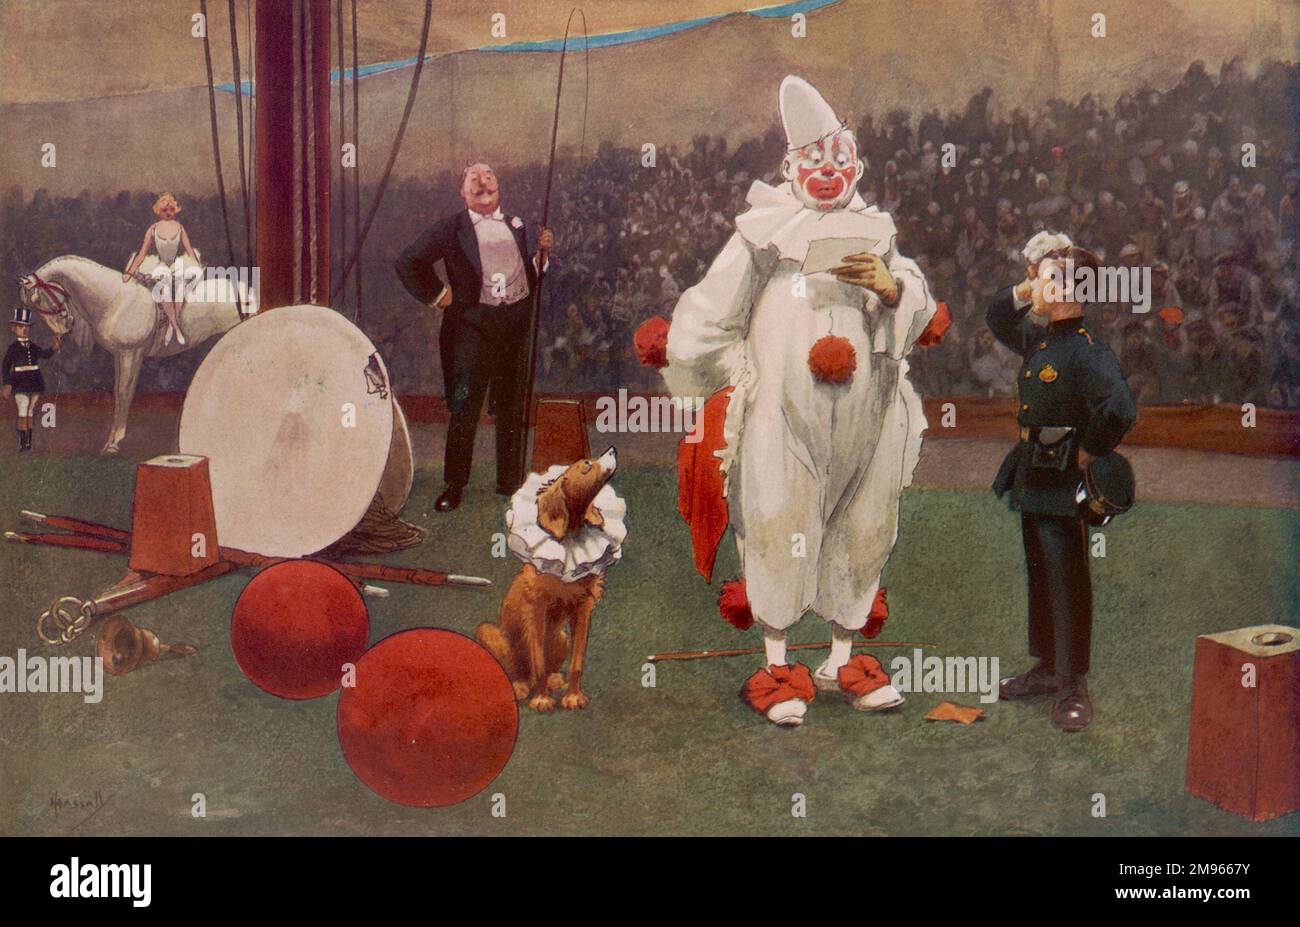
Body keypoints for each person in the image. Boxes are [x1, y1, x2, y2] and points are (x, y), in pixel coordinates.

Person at [661, 76, 941, 727]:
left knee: (865, 526)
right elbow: (711, 306)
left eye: (838, 160)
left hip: (865, 421)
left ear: (855, 162)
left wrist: (893, 286)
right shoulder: (763, 232)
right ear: (792, 168)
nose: (828, 172)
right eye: (813, 162)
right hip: (785, 417)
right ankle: (778, 663)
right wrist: (717, 370)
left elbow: (916, 294)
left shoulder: (875, 228)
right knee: (779, 518)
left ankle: (843, 656)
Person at [986, 242, 1137, 732]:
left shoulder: (1087, 351)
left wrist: (1090, 449)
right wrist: (1028, 285)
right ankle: (1048, 668)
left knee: (1067, 579)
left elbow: (1120, 408)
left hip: (1064, 478)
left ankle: (1073, 683)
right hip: (1034, 472)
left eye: (1048, 279)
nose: (1037, 288)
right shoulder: (1042, 340)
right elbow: (998, 317)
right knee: (1041, 575)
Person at [395, 162, 554, 512]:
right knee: (465, 408)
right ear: (462, 192)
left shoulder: (518, 224)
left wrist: (541, 256)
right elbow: (408, 262)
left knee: (512, 408)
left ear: (499, 185)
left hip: (513, 328)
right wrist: (439, 296)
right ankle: (454, 485)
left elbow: (524, 276)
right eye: (474, 178)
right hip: (471, 329)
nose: (483, 182)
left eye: (489, 176)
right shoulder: (452, 228)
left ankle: (510, 484)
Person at [122, 192, 203, 346]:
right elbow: (141, 254)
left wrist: (197, 265)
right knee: (164, 289)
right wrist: (129, 272)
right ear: (159, 211)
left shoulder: (179, 227)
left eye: (171, 210)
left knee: (180, 289)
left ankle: (172, 327)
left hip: (176, 263)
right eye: (165, 210)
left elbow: (189, 249)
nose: (168, 213)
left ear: (174, 210)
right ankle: (177, 329)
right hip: (161, 265)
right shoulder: (153, 229)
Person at [3, 306, 61, 451]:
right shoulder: (12, 348)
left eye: (26, 326)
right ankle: (23, 443)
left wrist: (54, 348)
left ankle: (28, 442)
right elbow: (5, 366)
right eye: (21, 326)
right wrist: (7, 384)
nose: (24, 329)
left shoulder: (33, 346)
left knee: (30, 411)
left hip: (34, 381)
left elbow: (44, 354)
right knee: (23, 409)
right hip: (20, 383)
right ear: (13, 328)